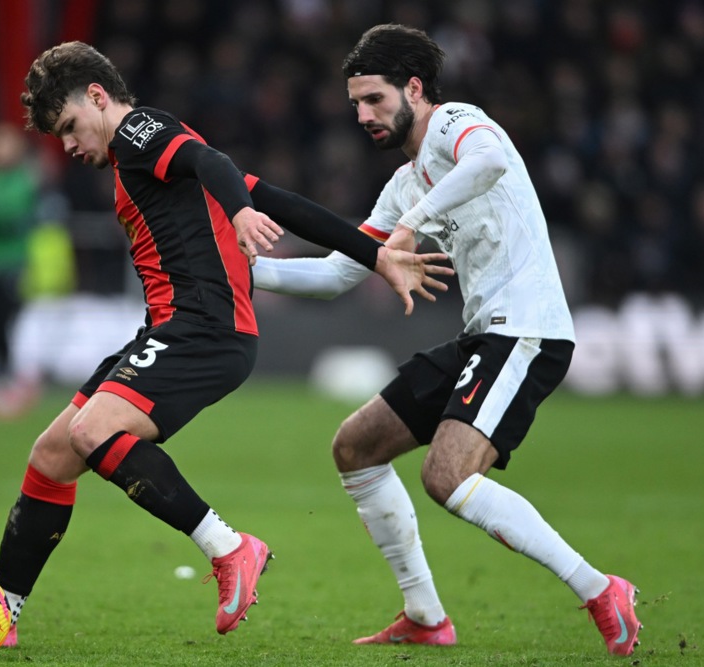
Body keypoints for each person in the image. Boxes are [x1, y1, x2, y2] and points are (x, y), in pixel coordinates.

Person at [0, 40, 450, 644]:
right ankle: (0, 610)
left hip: (204, 329)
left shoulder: (140, 131)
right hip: (174, 329)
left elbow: (214, 164)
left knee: (93, 432)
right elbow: (277, 199)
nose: (68, 146)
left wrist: (240, 214)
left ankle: (229, 548)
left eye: (69, 127)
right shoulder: (148, 154)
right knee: (52, 456)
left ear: (97, 97)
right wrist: (374, 254)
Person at [251, 24, 642, 656]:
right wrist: (244, 272)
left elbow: (490, 162)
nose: (362, 115)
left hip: (527, 331)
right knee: (356, 446)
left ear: (414, 88)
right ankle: (426, 616)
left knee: (447, 476)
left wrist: (409, 227)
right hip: (482, 336)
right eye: (355, 104)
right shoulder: (404, 183)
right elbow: (336, 273)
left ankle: (600, 589)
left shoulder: (457, 121)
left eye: (374, 99)